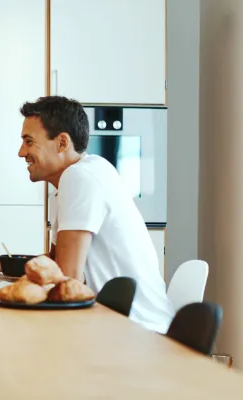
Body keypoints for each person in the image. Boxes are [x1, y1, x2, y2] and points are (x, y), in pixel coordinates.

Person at [17, 95, 174, 333]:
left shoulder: (80, 177)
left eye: (29, 141)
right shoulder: (80, 176)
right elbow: (54, 264)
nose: (21, 152)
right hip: (119, 325)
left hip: (138, 332)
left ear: (62, 143)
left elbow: (66, 280)